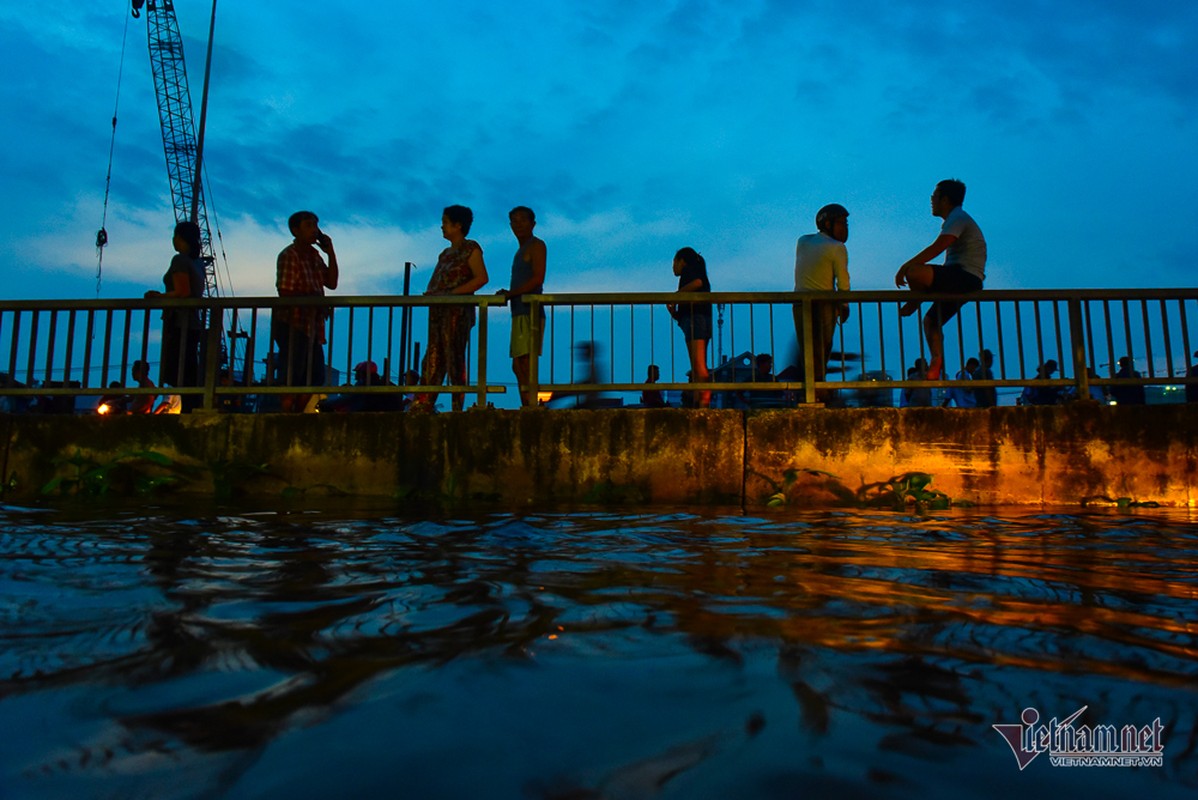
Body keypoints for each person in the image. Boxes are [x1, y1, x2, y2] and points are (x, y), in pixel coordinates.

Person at [895, 179, 986, 380]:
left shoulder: (958, 218)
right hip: (961, 278)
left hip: (964, 277)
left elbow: (939, 247)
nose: (931, 200)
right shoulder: (956, 219)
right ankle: (936, 361)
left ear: (945, 199)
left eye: (934, 196)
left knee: (914, 273)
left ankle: (916, 298)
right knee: (931, 321)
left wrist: (906, 267)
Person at [413, 205, 489, 413]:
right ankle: (424, 401)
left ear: (458, 225)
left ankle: (456, 405)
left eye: (446, 222)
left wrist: (452, 294)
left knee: (454, 356)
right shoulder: (445, 254)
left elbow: (481, 278)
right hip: (438, 313)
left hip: (457, 313)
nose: (442, 226)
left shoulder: (470, 248)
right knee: (433, 356)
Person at [274, 210, 339, 413]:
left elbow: (331, 282)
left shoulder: (314, 256)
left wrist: (331, 253)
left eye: (315, 226)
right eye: (309, 225)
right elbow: (285, 291)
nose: (314, 230)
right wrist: (315, 301)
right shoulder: (289, 255)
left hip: (311, 326)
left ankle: (296, 413)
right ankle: (288, 414)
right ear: (295, 230)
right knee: (293, 376)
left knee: (315, 376)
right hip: (293, 322)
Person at [145, 221, 206, 412]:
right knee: (188, 369)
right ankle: (191, 407)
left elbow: (182, 291)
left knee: (178, 369)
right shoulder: (198, 263)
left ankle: (188, 409)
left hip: (179, 321)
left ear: (180, 238)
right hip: (193, 322)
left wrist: (159, 297)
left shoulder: (180, 260)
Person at [794, 203, 851, 399]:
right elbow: (843, 280)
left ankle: (812, 389)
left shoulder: (803, 241)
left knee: (808, 349)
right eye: (842, 223)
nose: (845, 228)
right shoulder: (837, 248)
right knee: (823, 347)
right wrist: (844, 304)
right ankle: (819, 388)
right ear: (828, 224)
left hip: (799, 302)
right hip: (825, 302)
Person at [497, 206, 547, 407]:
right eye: (514, 221)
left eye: (522, 220)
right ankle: (527, 402)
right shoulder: (520, 250)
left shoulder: (537, 245)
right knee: (518, 363)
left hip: (529, 311)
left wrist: (510, 294)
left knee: (524, 362)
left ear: (532, 224)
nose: (518, 225)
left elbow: (537, 278)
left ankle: (531, 403)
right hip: (519, 311)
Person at [667, 247, 712, 408]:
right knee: (698, 364)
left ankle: (703, 400)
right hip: (700, 319)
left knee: (698, 365)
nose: (673, 267)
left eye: (674, 262)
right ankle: (698, 399)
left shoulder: (689, 271)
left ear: (682, 260)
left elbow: (697, 283)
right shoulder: (698, 271)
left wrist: (676, 296)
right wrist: (676, 313)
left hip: (696, 319)